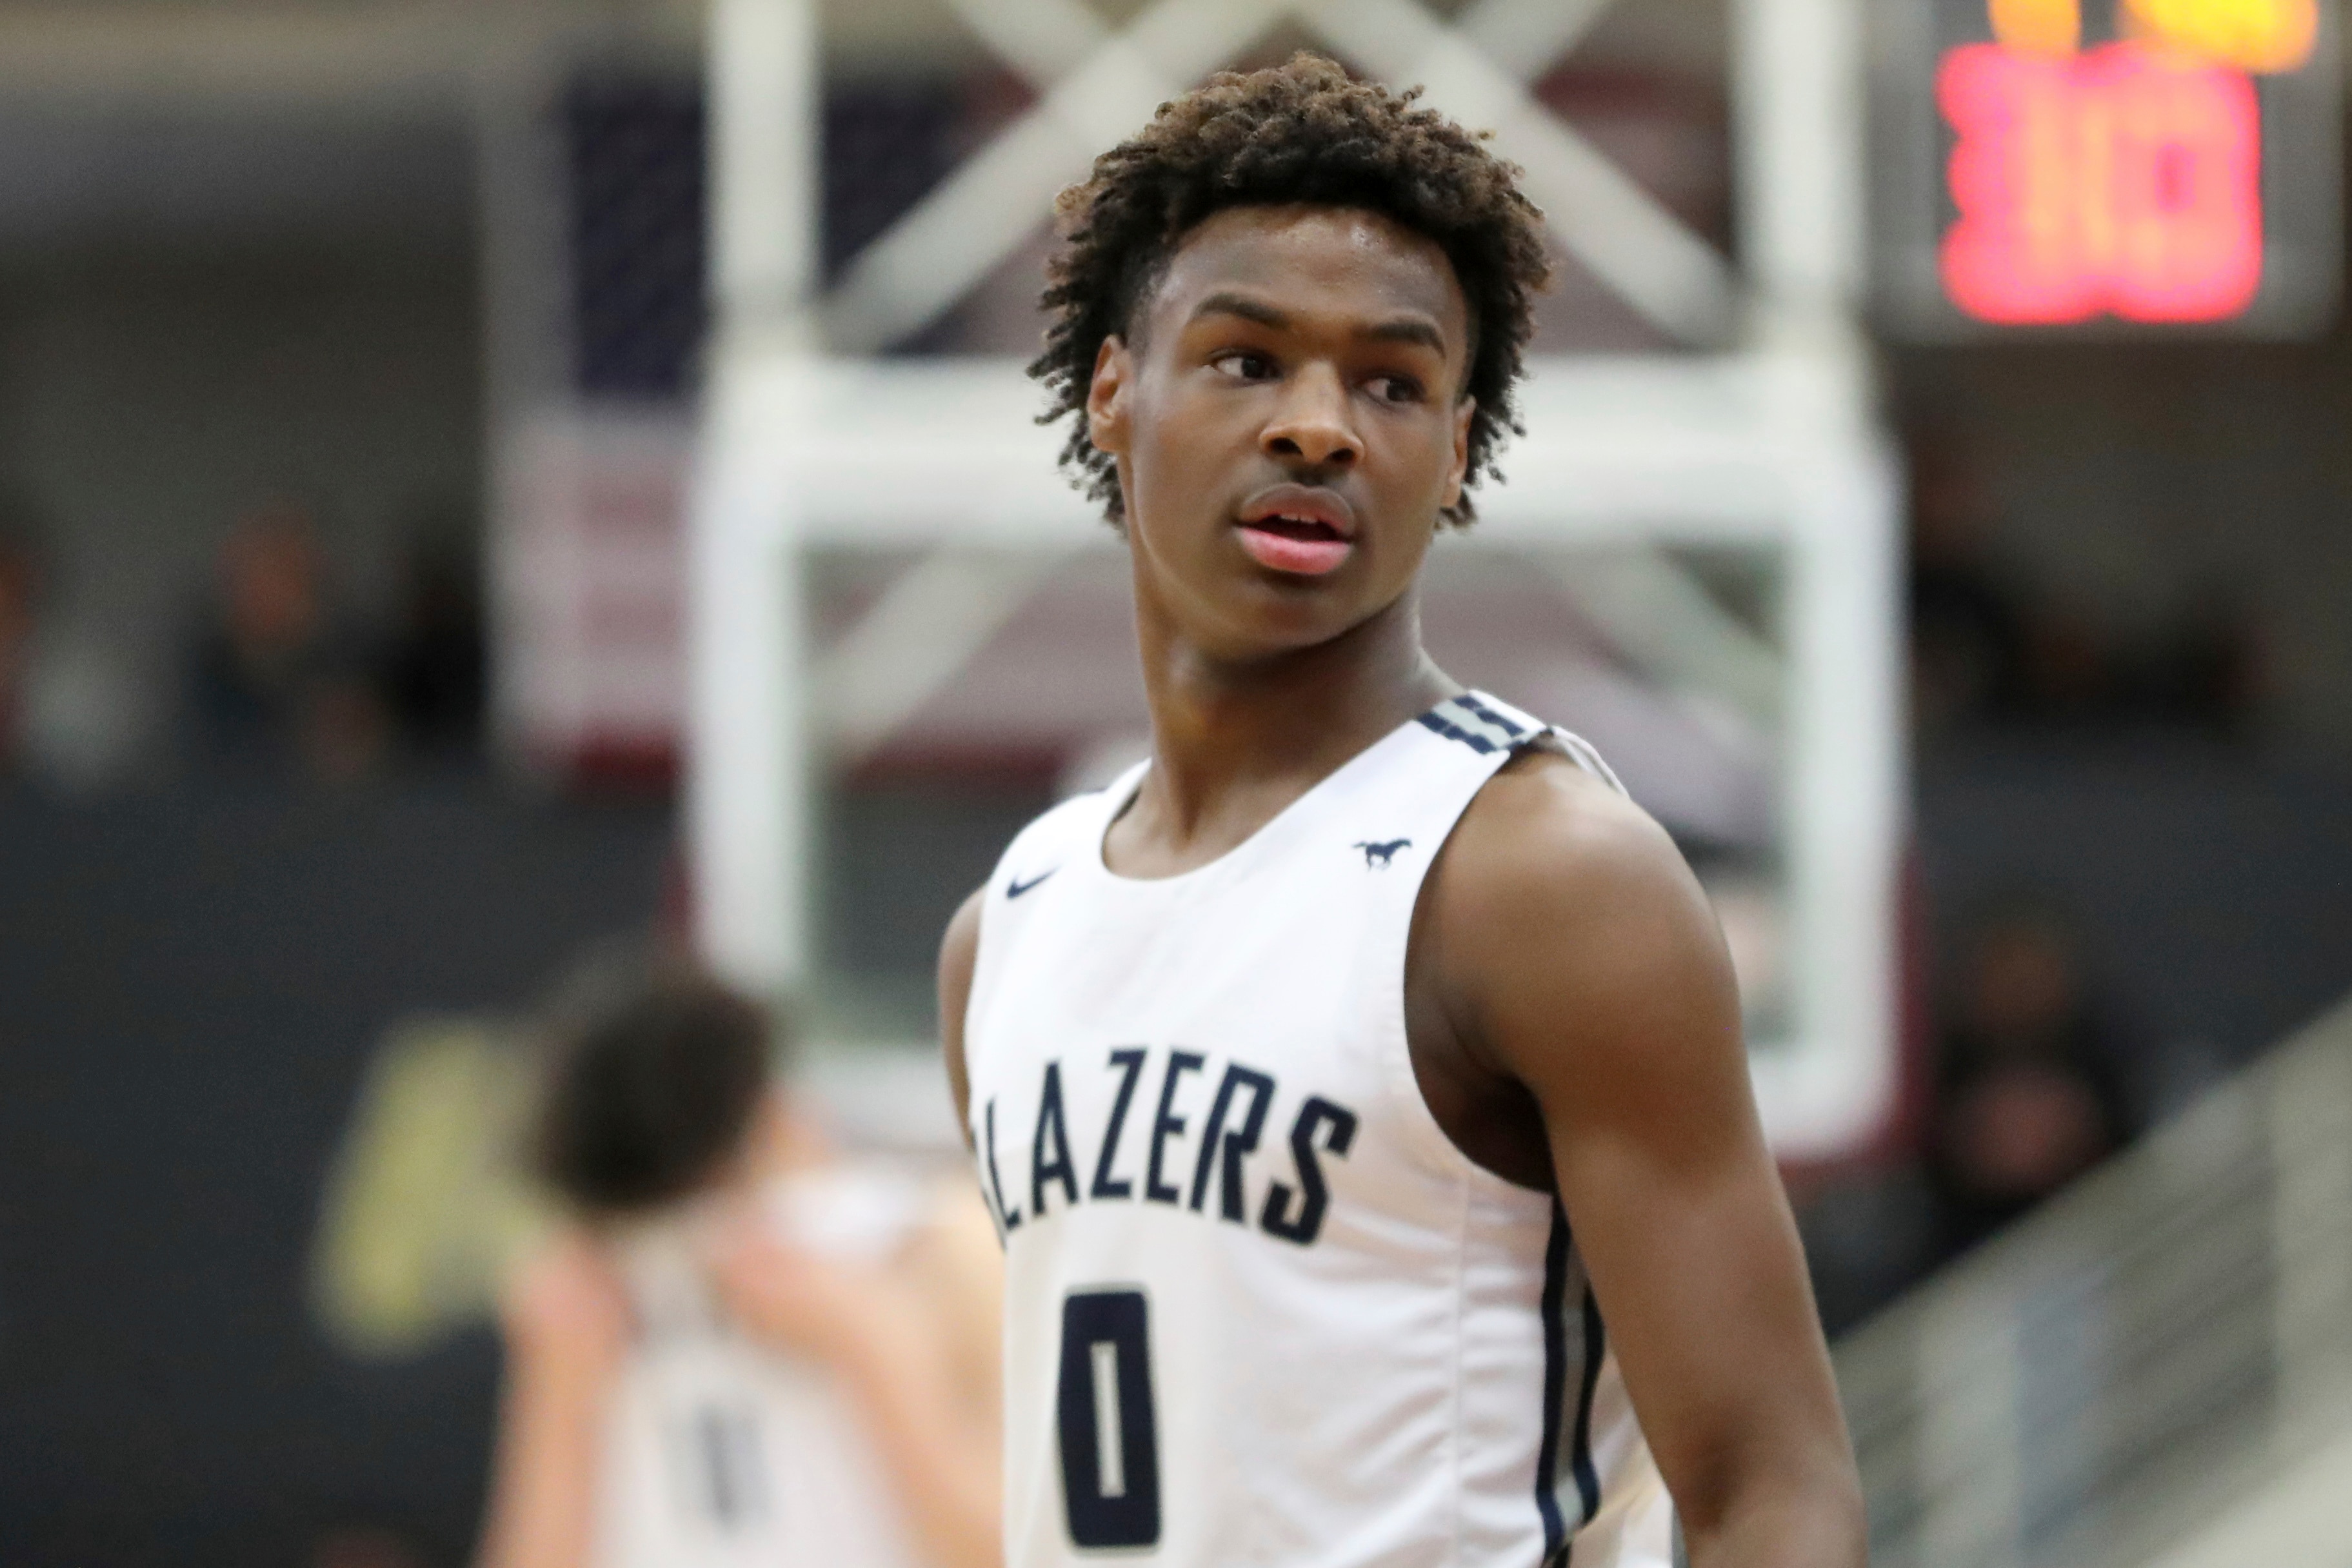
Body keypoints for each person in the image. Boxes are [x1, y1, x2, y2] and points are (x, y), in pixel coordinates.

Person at [936, 57, 1864, 1568]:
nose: (1318, 426)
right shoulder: (1009, 926)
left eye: (1389, 380)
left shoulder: (1541, 877)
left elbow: (1769, 1481)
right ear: (1115, 389)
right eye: (1245, 359)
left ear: (1453, 447)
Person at [477, 968, 1002, 1568]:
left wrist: (869, 1346)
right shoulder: (586, 1304)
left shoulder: (934, 1249)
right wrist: (562, 1397)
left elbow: (1015, 1550)